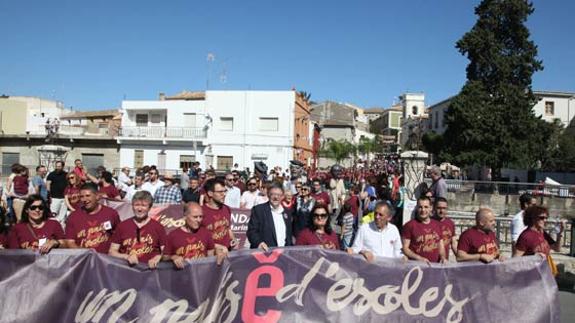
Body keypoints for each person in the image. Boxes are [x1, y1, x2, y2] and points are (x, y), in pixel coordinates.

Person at [109, 191, 166, 268]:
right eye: (136, 205)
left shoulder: (158, 227)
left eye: (143, 205)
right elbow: (112, 252)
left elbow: (166, 253)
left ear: (150, 207)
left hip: (150, 273)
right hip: (127, 271)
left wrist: (158, 257)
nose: (139, 209)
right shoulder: (122, 226)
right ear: (132, 206)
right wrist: (126, 257)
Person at [164, 202, 225, 269]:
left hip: (201, 274)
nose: (198, 220)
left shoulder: (206, 233)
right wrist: (173, 257)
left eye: (201, 217)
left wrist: (218, 252)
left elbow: (210, 256)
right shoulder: (173, 235)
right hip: (181, 276)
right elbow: (164, 257)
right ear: (185, 217)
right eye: (195, 217)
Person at [64, 183, 121, 253]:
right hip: (84, 260)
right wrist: (85, 253)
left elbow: (119, 236)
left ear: (97, 196)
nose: (84, 199)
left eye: (88, 196)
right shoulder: (73, 216)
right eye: (82, 196)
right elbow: (70, 242)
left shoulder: (111, 213)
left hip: (106, 260)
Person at [247, 182, 293, 251]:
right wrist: (259, 243)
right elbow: (252, 232)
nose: (276, 197)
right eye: (273, 194)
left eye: (278, 195)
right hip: (264, 254)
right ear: (268, 195)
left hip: (283, 255)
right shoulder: (258, 210)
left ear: (283, 196)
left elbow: (288, 235)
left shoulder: (286, 213)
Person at [402, 196, 446, 264]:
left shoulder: (438, 225)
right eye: (420, 207)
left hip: (435, 267)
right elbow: (405, 249)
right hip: (417, 267)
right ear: (417, 208)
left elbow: (441, 246)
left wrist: (443, 257)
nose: (423, 210)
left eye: (426, 207)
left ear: (431, 208)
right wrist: (419, 258)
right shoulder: (409, 225)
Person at [202, 178, 237, 250]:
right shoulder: (200, 211)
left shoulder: (227, 209)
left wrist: (233, 239)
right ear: (210, 193)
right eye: (220, 192)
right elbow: (197, 238)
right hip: (209, 256)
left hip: (228, 252)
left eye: (225, 191)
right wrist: (216, 247)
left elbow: (228, 229)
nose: (224, 194)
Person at [47, 161, 69, 225]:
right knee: (53, 214)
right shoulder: (51, 174)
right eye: (56, 166)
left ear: (62, 166)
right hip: (54, 198)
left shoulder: (66, 174)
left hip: (64, 198)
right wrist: (49, 195)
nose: (57, 168)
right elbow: (48, 184)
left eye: (59, 166)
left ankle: (62, 230)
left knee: (62, 216)